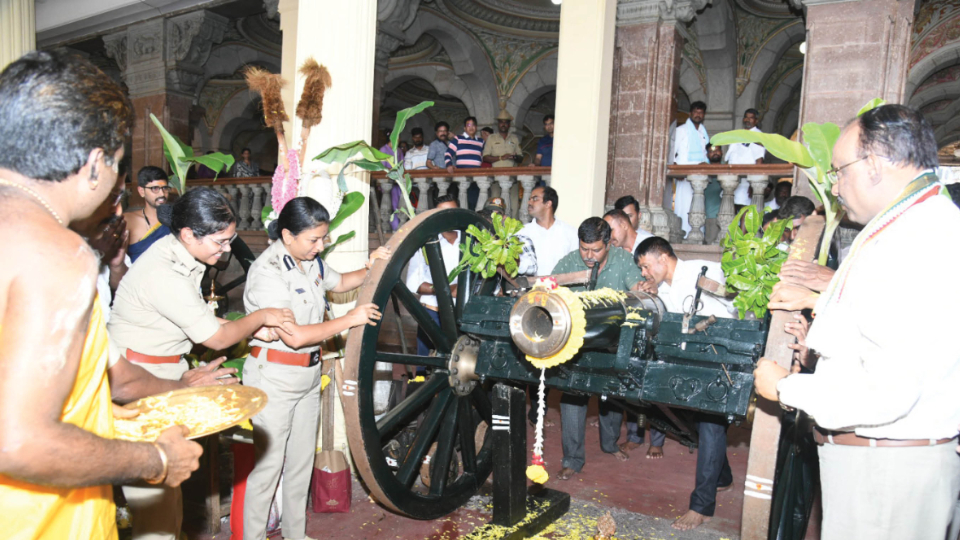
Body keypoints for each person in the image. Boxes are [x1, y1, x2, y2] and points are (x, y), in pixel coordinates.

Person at [0, 50, 200, 540]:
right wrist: (155, 459)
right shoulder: (56, 252)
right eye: (117, 164)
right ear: (95, 165)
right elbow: (16, 439)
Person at [755, 104, 960, 540]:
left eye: (839, 171)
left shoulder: (911, 238)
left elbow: (889, 391)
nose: (835, 185)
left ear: (873, 165)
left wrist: (784, 388)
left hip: (884, 474)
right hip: (886, 466)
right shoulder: (919, 221)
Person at [108, 187, 296, 540]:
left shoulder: (181, 255)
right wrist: (262, 316)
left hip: (165, 368)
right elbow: (216, 339)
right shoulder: (164, 273)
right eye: (220, 242)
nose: (227, 250)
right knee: (156, 499)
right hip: (140, 381)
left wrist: (257, 331)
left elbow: (195, 321)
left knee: (168, 493)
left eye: (230, 240)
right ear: (188, 235)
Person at [242, 197, 389, 540]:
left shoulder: (311, 262)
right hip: (274, 378)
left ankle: (296, 535)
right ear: (287, 234)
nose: (320, 246)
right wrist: (350, 319)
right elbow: (293, 337)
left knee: (299, 466)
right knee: (267, 470)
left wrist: (371, 267)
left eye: (323, 238)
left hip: (308, 376)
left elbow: (338, 283)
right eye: (314, 240)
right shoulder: (268, 272)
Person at [633, 236, 735, 531]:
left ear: (662, 258)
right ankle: (722, 477)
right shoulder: (664, 288)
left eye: (645, 266)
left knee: (711, 425)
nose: (644, 273)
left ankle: (701, 506)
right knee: (698, 424)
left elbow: (732, 313)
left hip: (719, 360)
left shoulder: (705, 272)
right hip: (689, 362)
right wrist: (650, 296)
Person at [552, 218, 645, 480]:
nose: (589, 256)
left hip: (612, 342)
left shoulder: (623, 260)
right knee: (572, 398)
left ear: (609, 243)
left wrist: (643, 288)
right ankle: (572, 459)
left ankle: (610, 444)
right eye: (584, 249)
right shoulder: (570, 261)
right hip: (576, 343)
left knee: (612, 397)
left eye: (595, 250)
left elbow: (637, 288)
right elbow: (550, 290)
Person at [405, 195, 461, 358]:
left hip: (463, 314)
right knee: (427, 364)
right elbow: (413, 284)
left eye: (452, 211)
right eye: (443, 212)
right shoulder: (426, 243)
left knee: (460, 361)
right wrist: (446, 290)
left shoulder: (470, 240)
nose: (448, 217)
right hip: (432, 314)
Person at [519, 185, 579, 277]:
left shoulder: (570, 233)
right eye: (530, 199)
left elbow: (576, 266)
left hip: (561, 289)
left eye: (535, 199)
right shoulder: (522, 232)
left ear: (548, 204)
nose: (529, 202)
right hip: (530, 290)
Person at [671, 101, 709, 235]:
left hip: (700, 178)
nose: (698, 115)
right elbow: (671, 154)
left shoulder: (703, 133)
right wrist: (678, 172)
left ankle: (696, 236)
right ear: (690, 113)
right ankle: (683, 235)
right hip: (684, 177)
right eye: (695, 112)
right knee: (684, 206)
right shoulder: (681, 130)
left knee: (698, 207)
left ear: (704, 115)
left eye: (701, 112)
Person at [124, 166, 172, 263]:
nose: (162, 194)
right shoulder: (128, 220)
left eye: (165, 188)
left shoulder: (177, 218)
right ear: (141, 191)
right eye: (155, 189)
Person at [723, 109, 766, 208]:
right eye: (746, 117)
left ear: (756, 121)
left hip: (746, 181)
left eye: (751, 118)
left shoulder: (758, 136)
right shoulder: (738, 134)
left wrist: (753, 184)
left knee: (744, 209)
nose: (748, 120)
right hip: (731, 178)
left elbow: (759, 161)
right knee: (729, 208)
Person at [445, 117, 484, 209]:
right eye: (468, 125)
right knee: (462, 203)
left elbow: (482, 157)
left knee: (473, 203)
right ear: (465, 128)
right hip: (462, 176)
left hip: (476, 177)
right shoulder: (458, 138)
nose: (471, 127)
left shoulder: (481, 141)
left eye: (473, 125)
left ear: (476, 127)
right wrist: (449, 165)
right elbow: (448, 153)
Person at [704, 144, 723, 243]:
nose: (715, 153)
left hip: (730, 215)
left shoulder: (729, 167)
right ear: (707, 155)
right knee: (711, 244)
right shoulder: (704, 168)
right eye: (711, 151)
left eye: (717, 150)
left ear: (722, 152)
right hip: (711, 215)